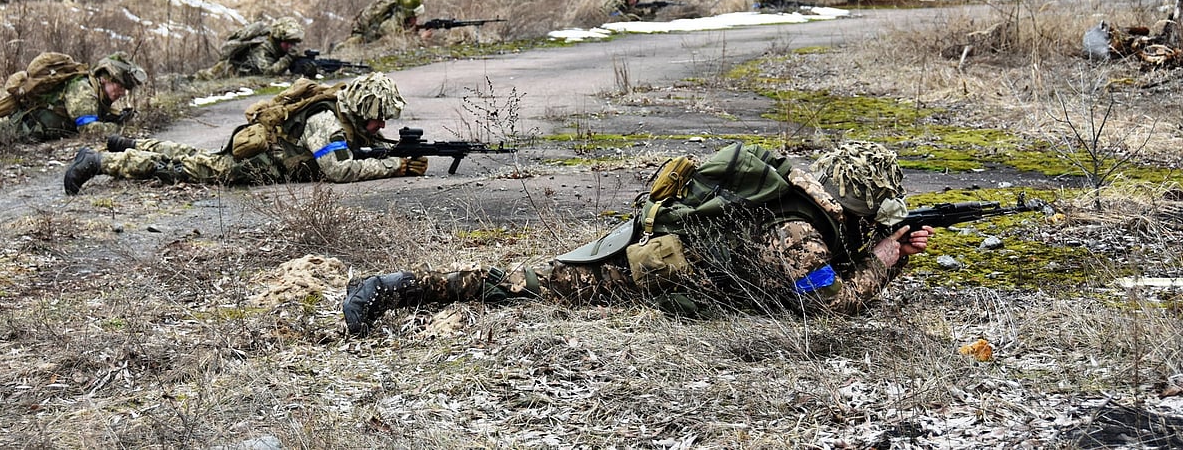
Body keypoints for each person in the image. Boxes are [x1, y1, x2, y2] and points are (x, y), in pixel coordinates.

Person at [341, 140, 932, 337]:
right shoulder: (801, 233)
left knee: (530, 279)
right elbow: (827, 308)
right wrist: (884, 259)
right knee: (527, 281)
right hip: (651, 267)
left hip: (685, 263)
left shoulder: (813, 204)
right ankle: (399, 285)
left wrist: (891, 254)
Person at [63, 73, 429, 195]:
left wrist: (393, 150)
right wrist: (395, 167)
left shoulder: (345, 108)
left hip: (261, 155)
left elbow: (361, 146)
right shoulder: (326, 119)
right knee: (180, 168)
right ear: (363, 109)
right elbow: (338, 170)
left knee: (191, 155)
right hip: (252, 164)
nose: (381, 127)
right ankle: (101, 162)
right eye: (378, 120)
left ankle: (128, 143)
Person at [0, 52, 147, 142]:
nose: (122, 93)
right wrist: (121, 129)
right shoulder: (83, 91)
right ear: (105, 79)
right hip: (16, 130)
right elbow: (89, 129)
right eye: (119, 87)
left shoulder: (95, 90)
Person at [196, 17, 306, 79]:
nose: (291, 46)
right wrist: (288, 58)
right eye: (288, 43)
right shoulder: (262, 48)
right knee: (196, 79)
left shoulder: (279, 47)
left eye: (294, 43)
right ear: (278, 39)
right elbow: (266, 73)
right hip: (224, 73)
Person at [346, 0, 427, 44]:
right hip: (363, 41)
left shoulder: (398, 15)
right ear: (408, 15)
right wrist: (421, 39)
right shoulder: (390, 24)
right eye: (414, 17)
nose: (416, 20)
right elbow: (396, 44)